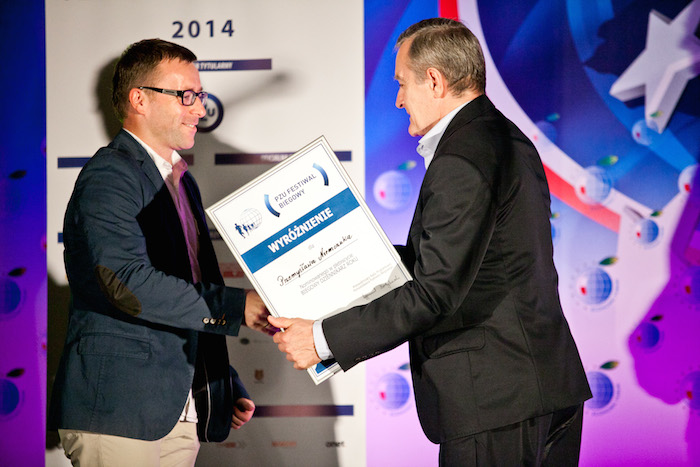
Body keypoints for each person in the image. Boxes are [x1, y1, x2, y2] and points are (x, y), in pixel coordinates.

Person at [269, 18, 592, 466]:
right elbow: (474, 261)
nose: (398, 99)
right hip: (540, 388)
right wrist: (355, 254)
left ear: (435, 81)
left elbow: (435, 292)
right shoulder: (504, 137)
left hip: (495, 402)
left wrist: (322, 339)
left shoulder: (462, 157)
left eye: (402, 83)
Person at [48, 38, 274, 466]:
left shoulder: (181, 181)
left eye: (200, 95)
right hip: (119, 409)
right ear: (140, 100)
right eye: (186, 95)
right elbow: (126, 283)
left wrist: (219, 377)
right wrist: (235, 306)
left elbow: (183, 289)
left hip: (178, 410)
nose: (200, 109)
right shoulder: (110, 174)